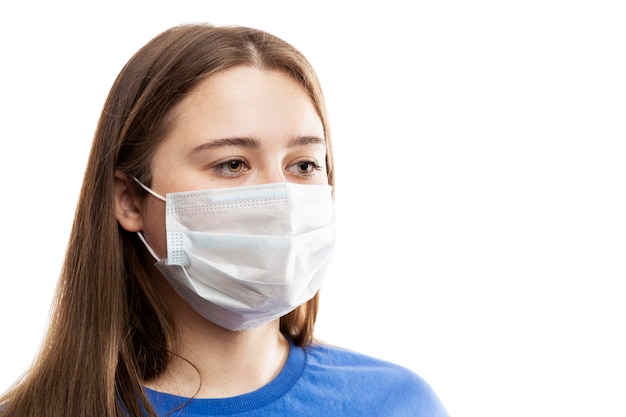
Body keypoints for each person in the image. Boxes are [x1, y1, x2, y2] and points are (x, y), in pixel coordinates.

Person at [0, 23, 448, 417]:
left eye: (304, 165)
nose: (281, 197)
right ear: (131, 201)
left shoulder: (397, 405)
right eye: (232, 164)